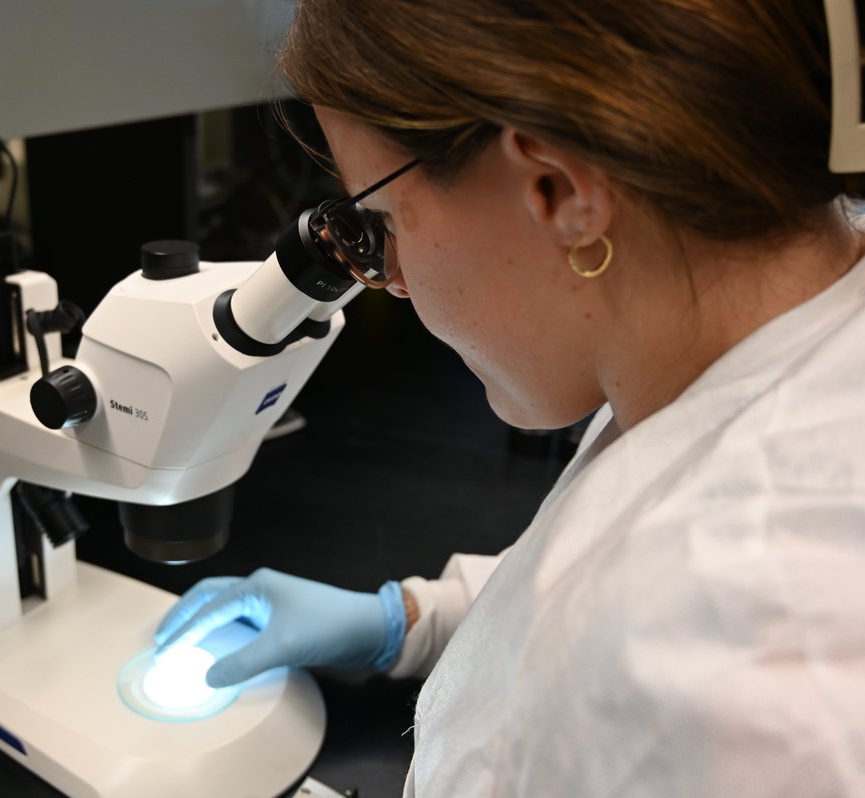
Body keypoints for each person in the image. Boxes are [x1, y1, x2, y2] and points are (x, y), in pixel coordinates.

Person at [156, 1, 865, 794]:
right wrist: (412, 620)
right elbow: (598, 580)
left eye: (379, 218)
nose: (389, 278)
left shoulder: (726, 663)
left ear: (559, 190)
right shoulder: (744, 336)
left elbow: (656, 648)